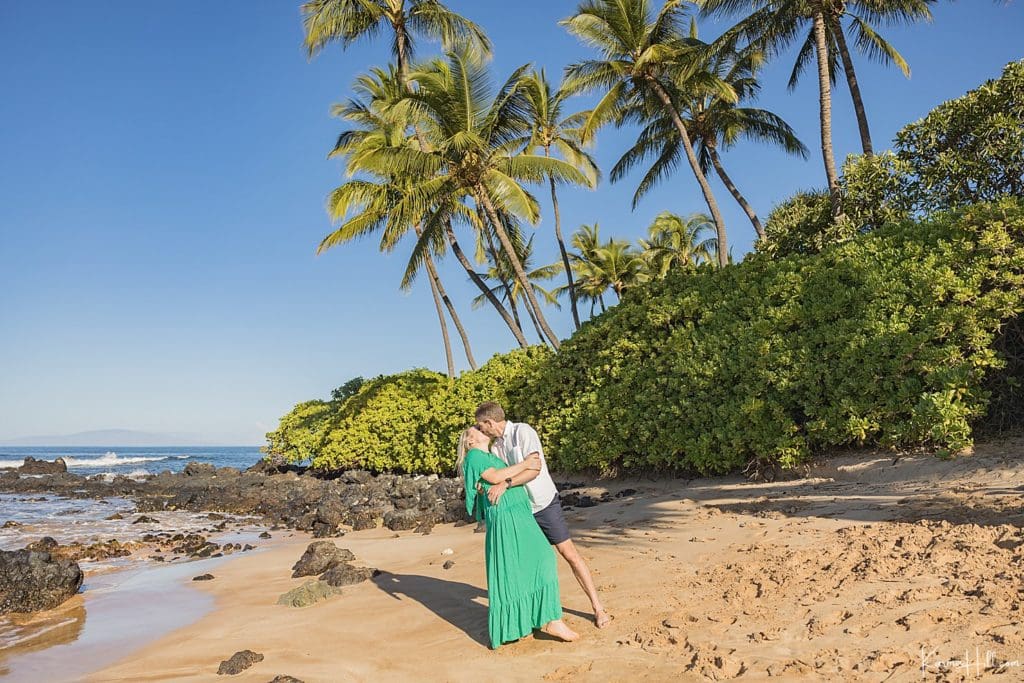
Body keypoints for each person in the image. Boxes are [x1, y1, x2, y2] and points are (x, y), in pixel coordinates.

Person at [474, 402, 612, 629]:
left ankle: (598, 608)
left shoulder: (523, 432)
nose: (481, 430)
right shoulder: (495, 446)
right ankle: (539, 616)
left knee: (569, 554)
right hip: (520, 511)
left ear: (489, 422)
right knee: (530, 563)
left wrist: (506, 483)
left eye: (481, 426)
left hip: (543, 504)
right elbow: (498, 474)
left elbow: (534, 469)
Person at [457, 426, 580, 649]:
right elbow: (495, 476)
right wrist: (525, 463)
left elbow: (500, 479)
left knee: (524, 564)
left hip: (516, 513)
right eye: (476, 430)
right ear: (469, 441)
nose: (481, 430)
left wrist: (509, 479)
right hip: (507, 516)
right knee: (539, 558)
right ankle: (551, 620)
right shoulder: (474, 455)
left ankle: (525, 621)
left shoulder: (490, 455)